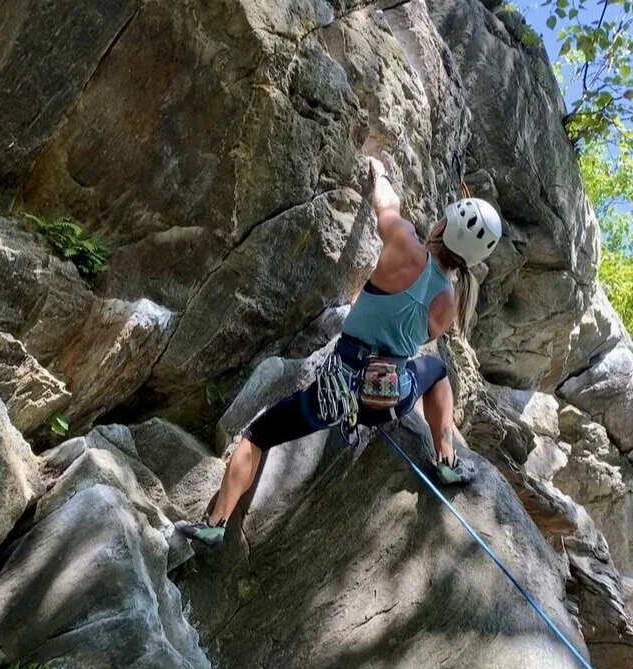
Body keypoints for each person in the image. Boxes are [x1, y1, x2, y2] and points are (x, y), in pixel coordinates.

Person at [176, 158, 502, 548]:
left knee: (259, 434)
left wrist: (379, 172)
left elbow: (387, 206)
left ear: (444, 226)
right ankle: (446, 460)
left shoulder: (405, 243)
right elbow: (414, 335)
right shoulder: (449, 302)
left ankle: (216, 521)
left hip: (335, 392)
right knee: (435, 370)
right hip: (388, 399)